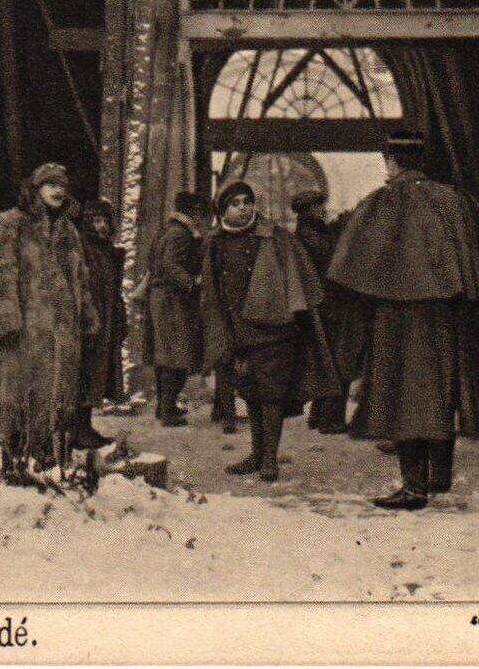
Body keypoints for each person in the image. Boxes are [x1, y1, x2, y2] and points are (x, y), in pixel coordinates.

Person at [328, 130, 479, 510]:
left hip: (398, 317)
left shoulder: (382, 202)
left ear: (391, 162)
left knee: (405, 394)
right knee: (442, 391)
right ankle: (439, 477)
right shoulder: (455, 201)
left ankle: (414, 488)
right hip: (450, 317)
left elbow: (348, 267)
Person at [200, 181, 341, 482]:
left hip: (274, 330)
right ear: (223, 211)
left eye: (247, 201)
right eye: (235, 203)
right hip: (238, 331)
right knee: (250, 392)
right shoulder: (216, 242)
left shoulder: (276, 238)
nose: (243, 208)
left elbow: (301, 280)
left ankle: (269, 460)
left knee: (271, 394)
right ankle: (256, 453)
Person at [0, 162, 98, 466]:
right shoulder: (10, 223)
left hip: (62, 330)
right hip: (25, 330)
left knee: (58, 392)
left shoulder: (68, 230)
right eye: (51, 185)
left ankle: (51, 456)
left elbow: (80, 278)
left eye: (63, 186)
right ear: (35, 189)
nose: (59, 191)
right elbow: (0, 273)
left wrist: (87, 315)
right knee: (17, 393)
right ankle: (12, 456)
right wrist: (7, 320)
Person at [293, 189, 360, 435]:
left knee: (328, 360)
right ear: (306, 211)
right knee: (337, 360)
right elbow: (334, 255)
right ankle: (331, 420)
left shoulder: (312, 232)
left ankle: (318, 414)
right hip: (328, 306)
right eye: (317, 206)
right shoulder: (309, 236)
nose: (322, 210)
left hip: (325, 306)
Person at [144, 191, 208, 427]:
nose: (201, 218)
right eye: (199, 213)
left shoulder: (167, 230)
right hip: (172, 300)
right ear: (192, 212)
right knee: (177, 356)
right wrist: (193, 282)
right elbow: (171, 266)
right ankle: (167, 411)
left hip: (162, 298)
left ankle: (164, 407)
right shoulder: (180, 234)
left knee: (166, 355)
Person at [75, 199, 127, 450]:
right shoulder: (82, 250)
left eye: (105, 220)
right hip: (88, 320)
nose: (103, 226)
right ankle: (77, 430)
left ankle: (85, 427)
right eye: (97, 221)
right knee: (85, 374)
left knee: (96, 375)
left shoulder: (106, 251)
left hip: (105, 319)